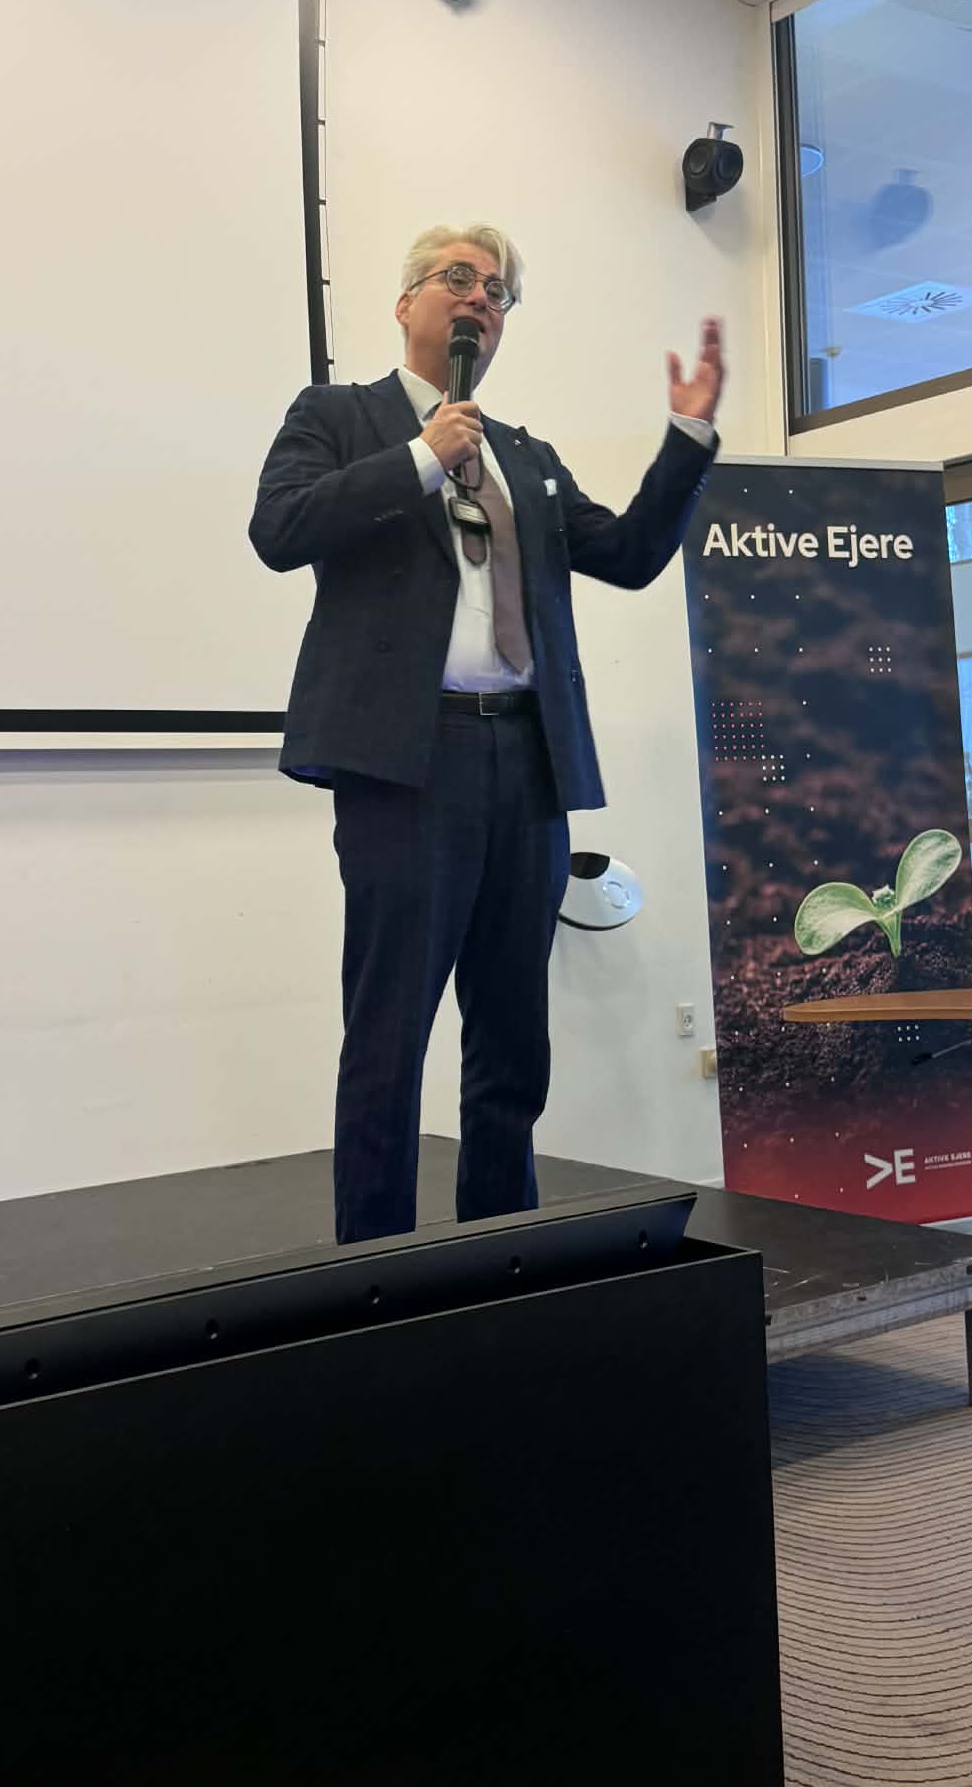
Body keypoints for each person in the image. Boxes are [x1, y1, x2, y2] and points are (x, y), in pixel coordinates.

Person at [250, 224, 723, 1244]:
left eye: (497, 290)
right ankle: (375, 1270)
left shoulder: (526, 456)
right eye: (458, 279)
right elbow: (279, 529)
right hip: (406, 762)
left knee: (513, 1038)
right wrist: (423, 457)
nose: (479, 299)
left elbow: (630, 555)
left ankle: (501, 1256)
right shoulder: (339, 416)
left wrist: (687, 439)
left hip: (527, 759)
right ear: (405, 303)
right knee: (390, 1032)